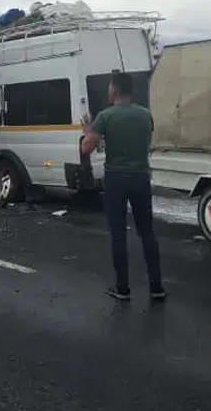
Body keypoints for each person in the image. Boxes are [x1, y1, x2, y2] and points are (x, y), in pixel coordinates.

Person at [81, 71, 165, 302]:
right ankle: (157, 287)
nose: (108, 90)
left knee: (118, 233)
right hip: (141, 177)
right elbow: (145, 143)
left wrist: (88, 131)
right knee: (147, 232)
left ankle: (123, 288)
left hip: (116, 179)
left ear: (115, 90)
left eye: (109, 87)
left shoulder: (105, 116)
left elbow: (86, 148)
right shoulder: (145, 115)